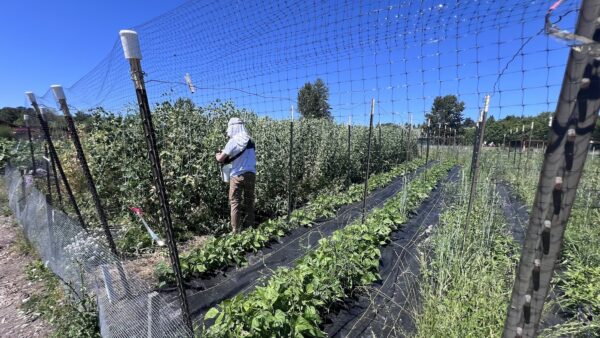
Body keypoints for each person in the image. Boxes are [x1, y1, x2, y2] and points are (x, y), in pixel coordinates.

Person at [215, 118, 256, 233]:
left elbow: (221, 159)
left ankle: (236, 231)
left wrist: (217, 154)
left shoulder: (233, 141)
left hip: (237, 175)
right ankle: (250, 229)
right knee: (249, 201)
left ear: (233, 127)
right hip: (251, 174)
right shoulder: (251, 141)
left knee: (235, 202)